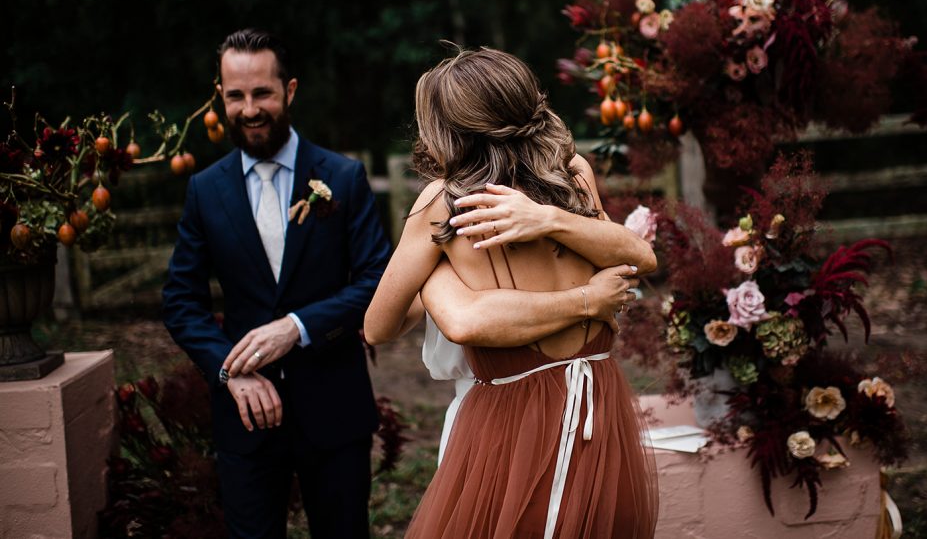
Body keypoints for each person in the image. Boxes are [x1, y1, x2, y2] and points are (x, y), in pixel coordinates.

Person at [365, 47, 659, 539]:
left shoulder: (446, 203)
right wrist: (440, 280)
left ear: (450, 128)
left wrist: (546, 221)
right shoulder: (571, 175)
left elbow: (376, 326)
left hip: (518, 416)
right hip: (594, 395)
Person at [162, 28, 390, 539]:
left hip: (334, 410)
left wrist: (297, 327)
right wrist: (229, 372)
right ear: (220, 96)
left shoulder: (343, 177)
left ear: (289, 91)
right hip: (244, 421)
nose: (248, 109)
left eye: (261, 93)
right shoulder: (204, 190)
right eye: (235, 96)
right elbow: (181, 301)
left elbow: (378, 279)